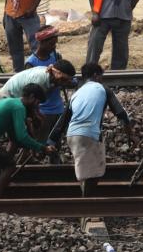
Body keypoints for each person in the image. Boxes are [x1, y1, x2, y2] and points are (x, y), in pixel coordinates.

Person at [49, 63, 133, 197]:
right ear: (95, 75)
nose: (101, 79)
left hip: (72, 135)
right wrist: (131, 135)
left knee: (86, 170)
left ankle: (85, 202)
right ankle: (86, 204)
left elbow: (63, 120)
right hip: (88, 134)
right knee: (93, 174)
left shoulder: (77, 93)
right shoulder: (102, 89)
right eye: (101, 76)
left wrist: (51, 140)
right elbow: (121, 113)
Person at [24, 25, 66, 146]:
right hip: (42, 111)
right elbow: (30, 91)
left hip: (58, 108)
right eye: (51, 44)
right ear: (41, 43)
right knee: (41, 143)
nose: (54, 47)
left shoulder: (56, 57)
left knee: (55, 143)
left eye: (55, 44)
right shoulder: (31, 63)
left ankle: (54, 163)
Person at [0, 59, 75, 101]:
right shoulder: (40, 80)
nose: (64, 83)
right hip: (8, 98)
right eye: (63, 80)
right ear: (58, 75)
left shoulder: (49, 76)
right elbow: (29, 101)